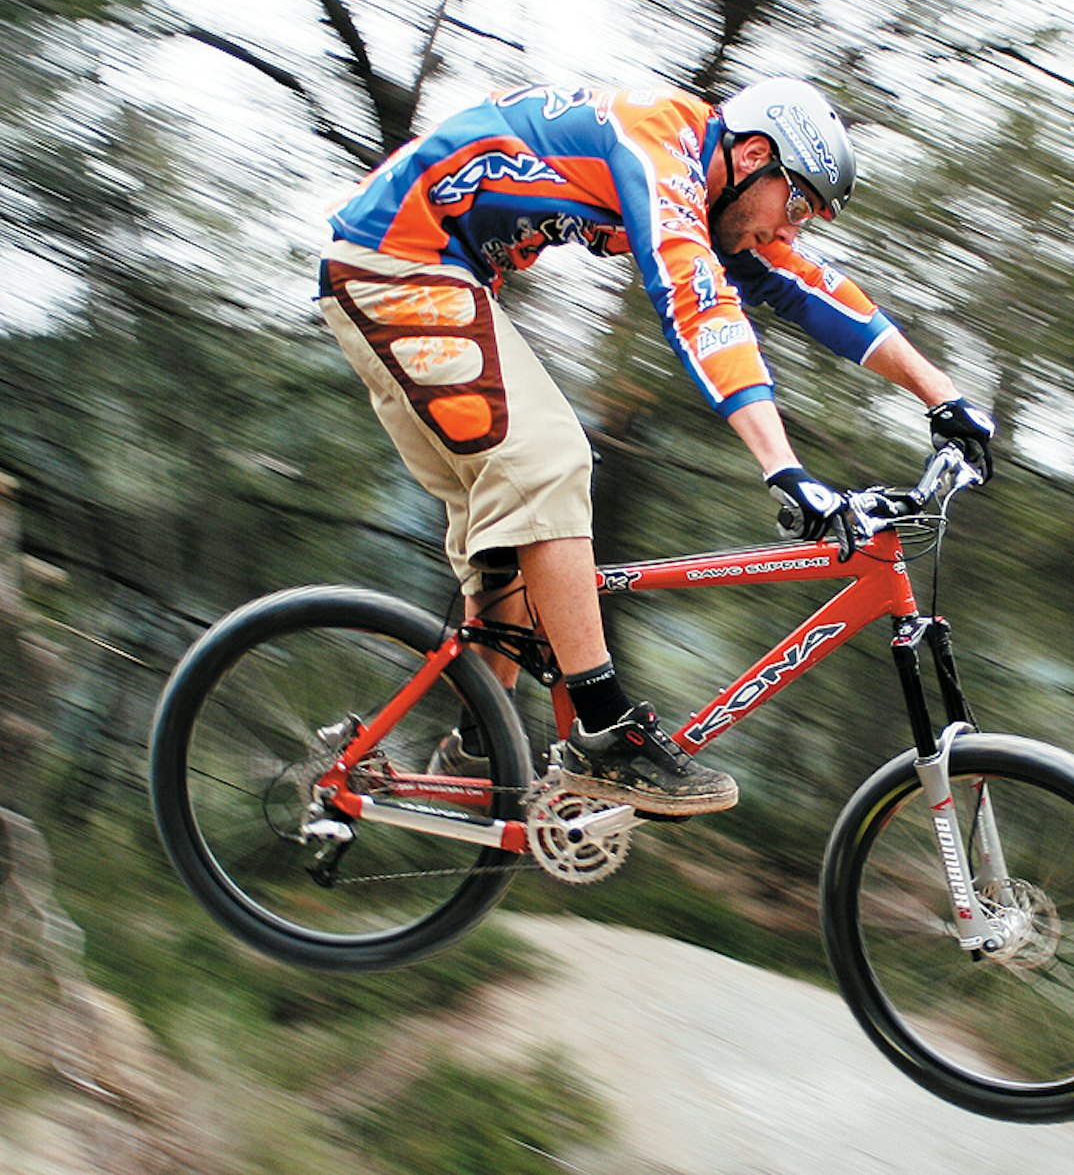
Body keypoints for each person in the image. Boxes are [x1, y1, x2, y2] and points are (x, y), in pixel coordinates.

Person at [317, 78, 994, 818]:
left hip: (444, 275)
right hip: (397, 264)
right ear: (755, 155)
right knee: (549, 465)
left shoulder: (716, 182)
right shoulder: (657, 146)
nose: (786, 231)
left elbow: (810, 287)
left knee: (518, 531)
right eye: (795, 206)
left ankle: (480, 752)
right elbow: (698, 303)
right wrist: (784, 466)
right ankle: (605, 737)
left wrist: (944, 396)